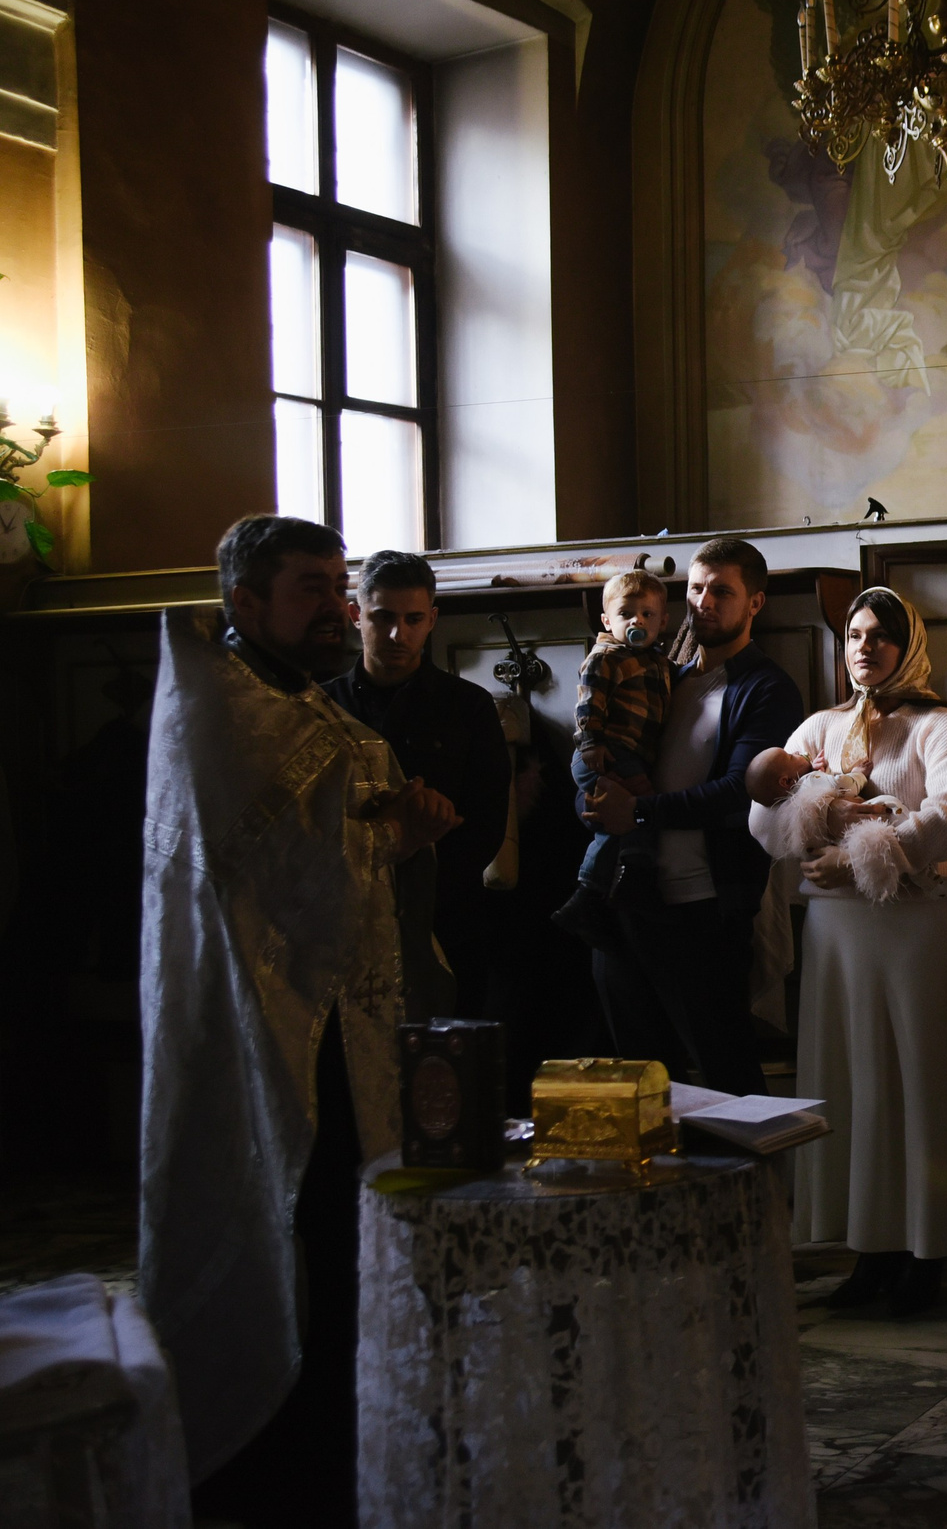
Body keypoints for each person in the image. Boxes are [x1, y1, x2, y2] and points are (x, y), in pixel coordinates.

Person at [143, 516, 458, 1526]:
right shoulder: (224, 710)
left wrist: (398, 841)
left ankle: (338, 1450)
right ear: (244, 603)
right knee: (280, 1233)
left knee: (338, 1247)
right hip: (260, 1036)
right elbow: (272, 890)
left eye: (339, 584)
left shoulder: (297, 703)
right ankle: (268, 1467)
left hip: (337, 1032)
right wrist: (391, 842)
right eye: (313, 589)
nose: (339, 606)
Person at [749, 587, 947, 1315]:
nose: (864, 646)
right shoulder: (819, 724)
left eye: (881, 634)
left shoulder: (938, 725)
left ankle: (927, 1251)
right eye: (853, 633)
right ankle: (868, 1249)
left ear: (906, 643)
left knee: (914, 1077)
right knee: (852, 1080)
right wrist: (817, 809)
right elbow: (762, 819)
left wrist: (867, 851)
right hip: (837, 929)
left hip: (912, 922)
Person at [582, 537, 803, 1098]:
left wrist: (637, 813)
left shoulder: (765, 687)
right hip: (631, 898)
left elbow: (736, 793)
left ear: (755, 602)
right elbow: (607, 748)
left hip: (703, 911)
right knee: (641, 1086)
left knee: (726, 1077)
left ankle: (752, 1188)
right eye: (696, 589)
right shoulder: (662, 678)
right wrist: (597, 801)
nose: (704, 601)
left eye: (721, 591)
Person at [322, 548, 511, 1018]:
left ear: (432, 620)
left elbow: (485, 823)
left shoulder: (469, 707)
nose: (396, 634)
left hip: (445, 917)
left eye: (411, 620)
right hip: (345, 916)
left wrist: (420, 879)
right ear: (354, 615)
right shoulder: (321, 710)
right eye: (382, 617)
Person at [552, 568, 673, 948]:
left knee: (631, 818)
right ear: (607, 620)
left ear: (662, 621)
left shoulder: (658, 662)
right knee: (637, 808)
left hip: (630, 753)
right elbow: (589, 703)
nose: (637, 620)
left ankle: (618, 886)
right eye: (626, 614)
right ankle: (595, 892)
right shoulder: (606, 657)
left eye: (647, 614)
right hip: (606, 751)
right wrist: (590, 744)